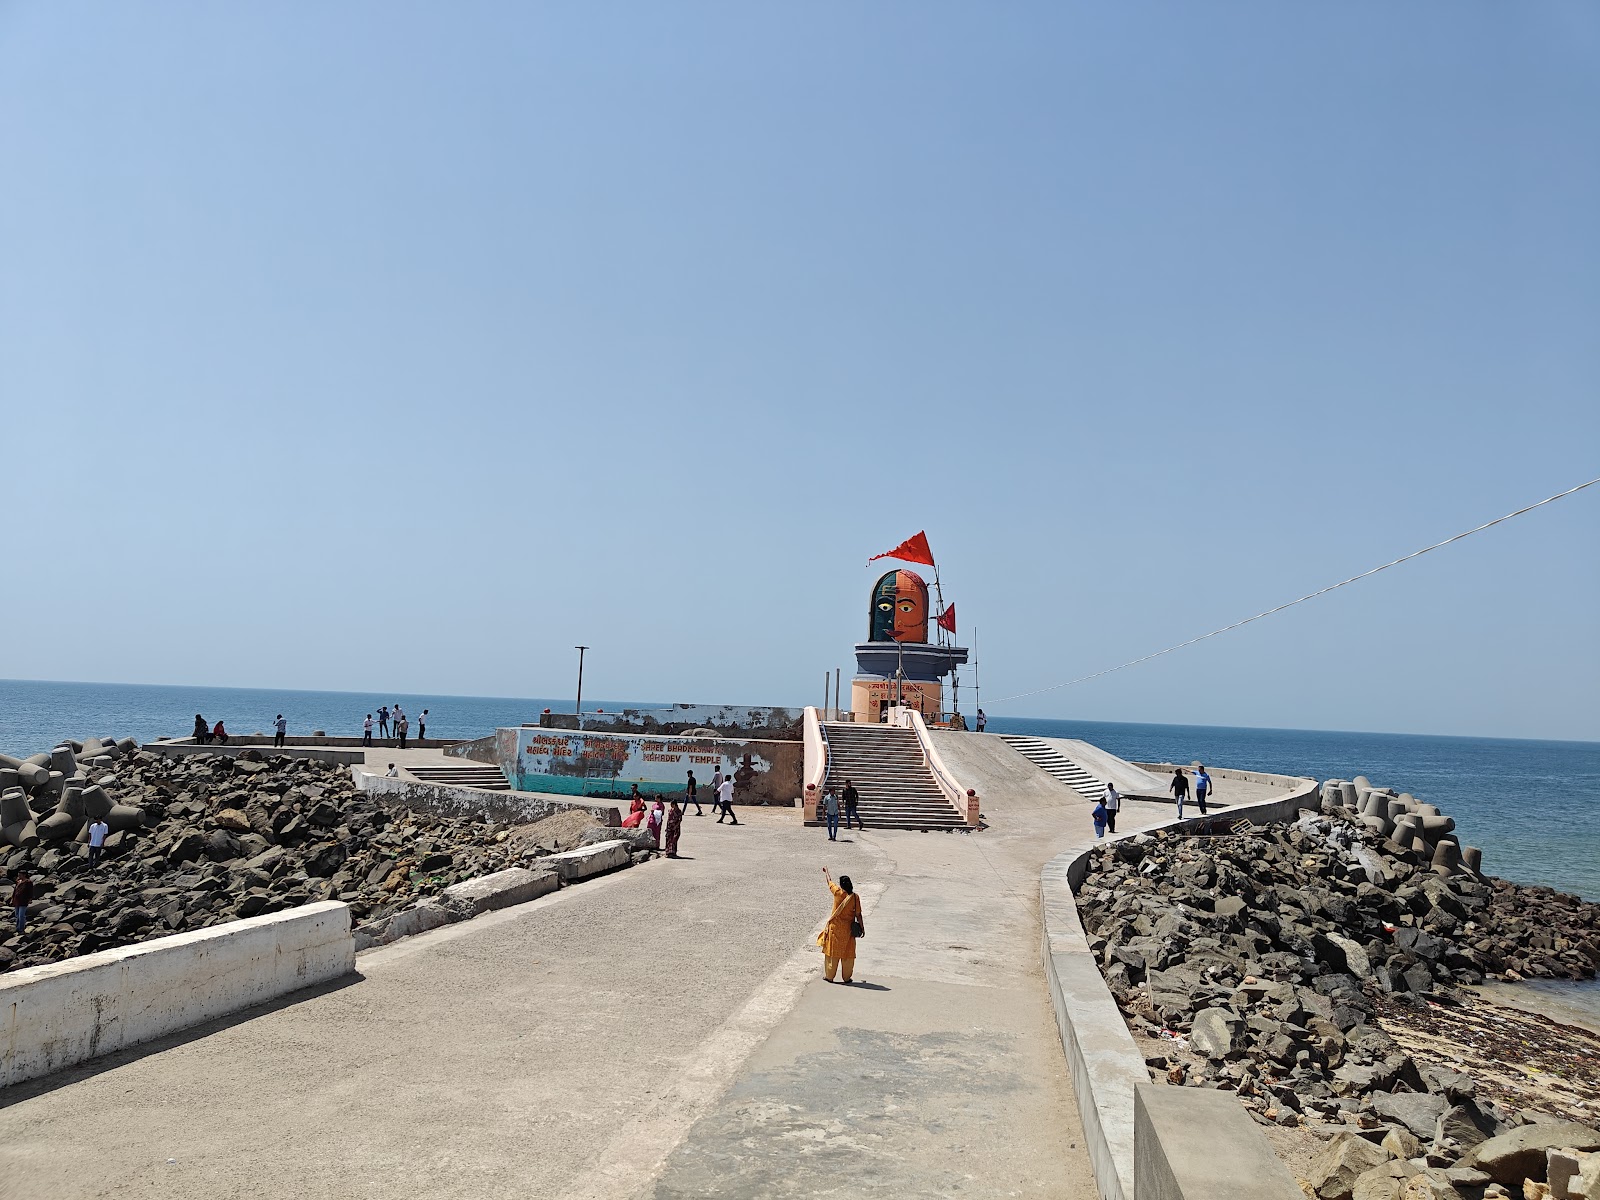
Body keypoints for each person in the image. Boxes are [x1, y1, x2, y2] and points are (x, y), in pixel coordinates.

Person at [817, 868, 863, 984]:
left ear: (841, 885)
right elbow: (858, 914)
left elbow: (829, 882)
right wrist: (862, 928)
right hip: (848, 931)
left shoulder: (837, 892)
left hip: (835, 929)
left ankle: (829, 976)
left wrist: (826, 872)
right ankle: (847, 978)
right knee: (848, 954)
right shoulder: (855, 897)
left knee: (832, 953)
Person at [11, 870, 32, 935]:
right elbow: (15, 891)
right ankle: (18, 928)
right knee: (17, 915)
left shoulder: (28, 882)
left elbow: (30, 891)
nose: (19, 876)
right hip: (17, 900)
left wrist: (30, 899)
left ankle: (21, 929)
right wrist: (12, 899)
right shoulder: (18, 881)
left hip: (23, 900)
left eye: (20, 875)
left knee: (21, 915)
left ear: (24, 875)